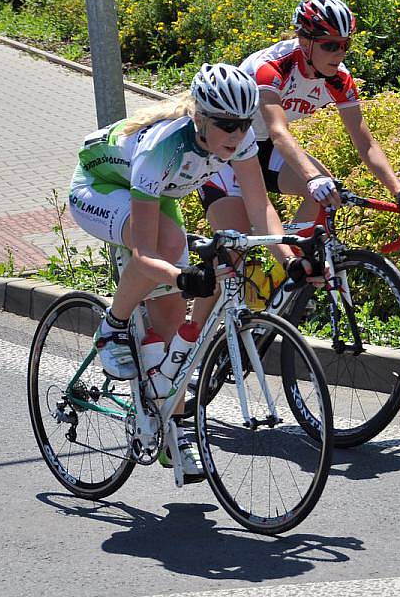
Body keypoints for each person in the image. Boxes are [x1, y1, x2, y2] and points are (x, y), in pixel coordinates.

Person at [68, 63, 311, 480]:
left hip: (156, 196)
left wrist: (288, 260)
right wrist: (182, 278)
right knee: (164, 252)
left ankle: (172, 429)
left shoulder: (240, 138)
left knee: (172, 331)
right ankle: (112, 325)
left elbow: (259, 208)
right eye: (226, 126)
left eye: (242, 124)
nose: (236, 135)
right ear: (200, 117)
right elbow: (145, 253)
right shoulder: (163, 146)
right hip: (101, 187)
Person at [195, 0, 400, 309]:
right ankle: (188, 343)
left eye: (345, 45)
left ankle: (282, 273)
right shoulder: (272, 68)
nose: (339, 53)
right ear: (304, 41)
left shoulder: (338, 78)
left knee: (323, 188)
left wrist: (399, 192)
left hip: (259, 149)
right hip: (222, 150)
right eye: (330, 45)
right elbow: (278, 131)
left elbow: (365, 143)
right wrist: (312, 179)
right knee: (230, 263)